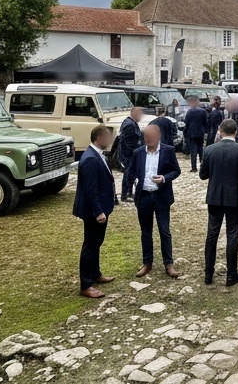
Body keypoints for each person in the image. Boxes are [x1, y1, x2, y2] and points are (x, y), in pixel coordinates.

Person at [200, 119, 238, 286]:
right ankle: (231, 274)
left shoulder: (209, 149)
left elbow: (203, 175)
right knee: (232, 234)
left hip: (215, 196)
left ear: (220, 131)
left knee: (212, 234)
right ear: (236, 132)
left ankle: (208, 274)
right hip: (234, 197)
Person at [125, 124, 182, 279]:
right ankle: (147, 262)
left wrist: (164, 178)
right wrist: (131, 187)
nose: (148, 139)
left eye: (151, 136)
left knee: (164, 230)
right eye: (146, 136)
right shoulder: (138, 153)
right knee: (145, 231)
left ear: (158, 136)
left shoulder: (168, 150)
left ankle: (168, 263)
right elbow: (131, 171)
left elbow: (176, 170)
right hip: (144, 196)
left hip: (161, 196)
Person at [74, 125, 116, 298]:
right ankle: (86, 285)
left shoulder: (97, 154)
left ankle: (95, 273)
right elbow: (90, 190)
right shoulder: (91, 158)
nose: (109, 140)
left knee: (96, 242)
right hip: (93, 212)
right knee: (90, 245)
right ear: (99, 138)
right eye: (107, 137)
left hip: (100, 208)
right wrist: (98, 212)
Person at [119, 107, 144, 203]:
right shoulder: (129, 124)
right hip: (129, 155)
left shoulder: (131, 123)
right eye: (139, 114)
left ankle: (129, 192)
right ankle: (124, 195)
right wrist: (134, 154)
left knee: (132, 175)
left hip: (130, 155)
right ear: (134, 113)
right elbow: (127, 142)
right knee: (128, 175)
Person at [184, 96, 208, 172]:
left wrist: (186, 131)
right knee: (201, 150)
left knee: (193, 151)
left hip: (191, 133)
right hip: (200, 132)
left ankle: (194, 167)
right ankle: (203, 165)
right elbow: (205, 122)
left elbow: (186, 123)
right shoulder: (203, 111)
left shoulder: (189, 112)